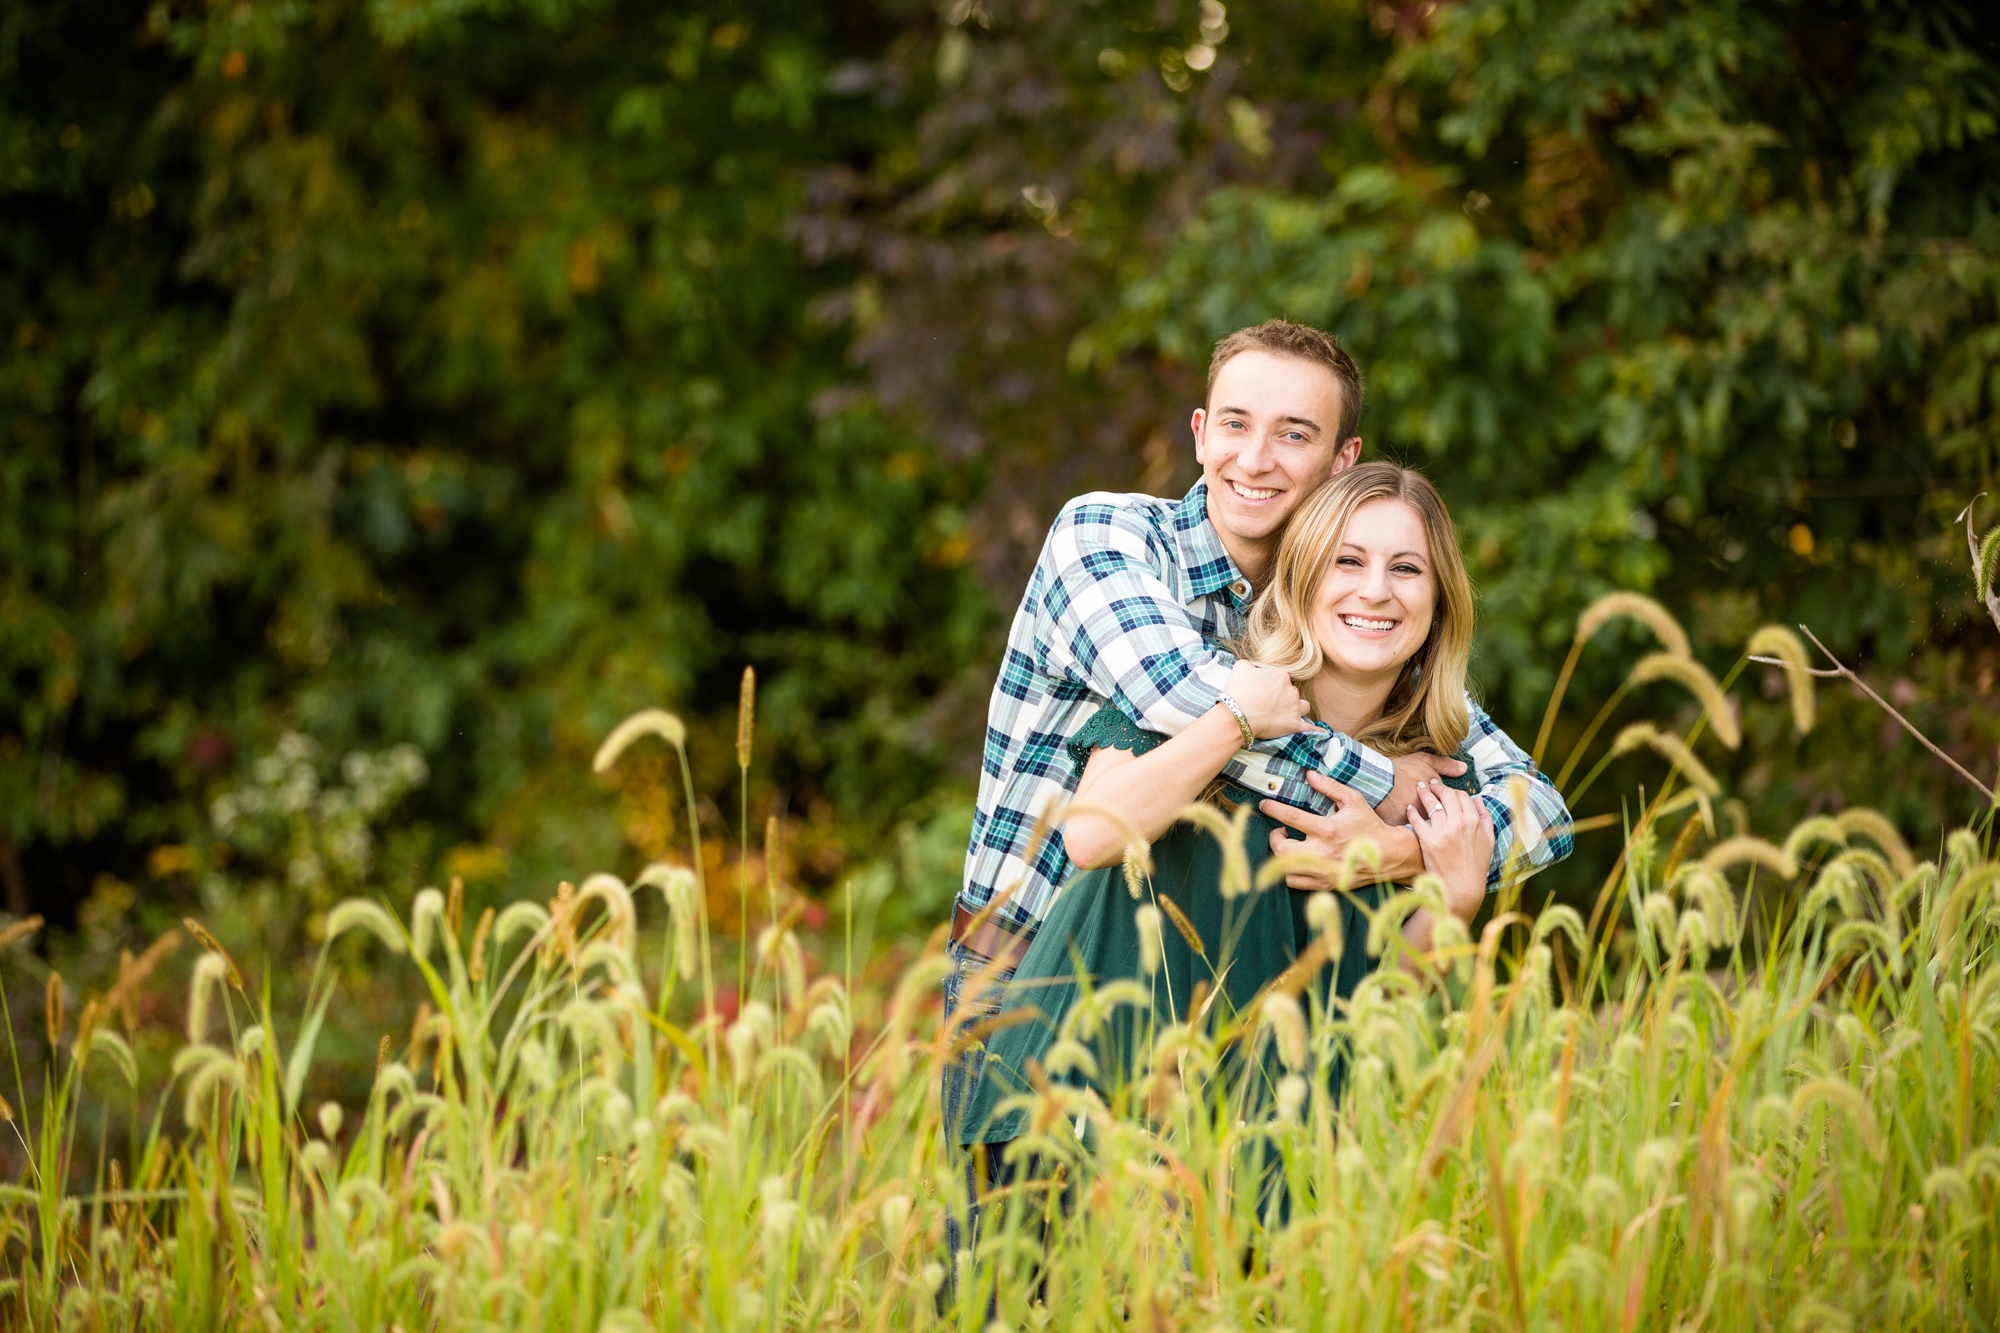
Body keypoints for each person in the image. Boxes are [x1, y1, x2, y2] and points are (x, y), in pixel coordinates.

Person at [939, 320, 1572, 1271]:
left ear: (1339, 458)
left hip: (1252, 1094)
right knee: (1009, 1285)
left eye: (1295, 433)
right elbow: (1177, 704)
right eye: (1235, 423)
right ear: (1199, 431)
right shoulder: (1114, 540)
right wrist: (1396, 794)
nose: (1257, 457)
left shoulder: (1355, 625)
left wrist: (1413, 854)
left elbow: (1540, 813)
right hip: (1034, 975)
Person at [957, 463, 1549, 1171]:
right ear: (1301, 578)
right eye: (1347, 561)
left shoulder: (1432, 781)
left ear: (1440, 600)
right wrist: (1236, 722)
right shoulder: (1204, 686)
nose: (1375, 590)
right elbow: (1090, 832)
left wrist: (1450, 891)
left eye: (1408, 569)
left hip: (1265, 1152)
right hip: (1083, 1112)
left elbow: (1377, 1006)